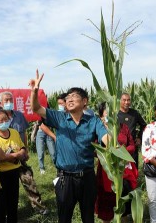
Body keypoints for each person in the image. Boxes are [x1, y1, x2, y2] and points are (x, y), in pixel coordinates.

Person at [29, 70, 108, 223]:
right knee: (64, 217)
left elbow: (106, 139)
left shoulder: (94, 121)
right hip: (65, 178)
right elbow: (36, 108)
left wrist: (112, 139)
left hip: (87, 177)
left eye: (74, 96)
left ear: (84, 101)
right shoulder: (60, 118)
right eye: (67, 97)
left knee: (88, 217)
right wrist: (34, 91)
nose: (69, 99)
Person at [95, 102, 138, 222]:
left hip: (123, 170)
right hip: (106, 169)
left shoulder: (123, 127)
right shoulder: (98, 128)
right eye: (107, 111)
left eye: (113, 110)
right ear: (101, 114)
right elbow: (94, 148)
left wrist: (120, 151)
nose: (110, 113)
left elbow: (132, 146)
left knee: (123, 198)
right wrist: (108, 151)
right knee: (107, 200)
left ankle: (122, 219)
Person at [0, 108, 29, 223]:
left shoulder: (14, 132)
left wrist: (22, 152)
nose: (4, 122)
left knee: (13, 202)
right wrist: (17, 155)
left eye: (6, 119)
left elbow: (22, 147)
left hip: (14, 172)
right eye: (1, 121)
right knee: (1, 205)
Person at [118, 92, 147, 168]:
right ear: (120, 101)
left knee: (133, 170)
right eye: (124, 100)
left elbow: (144, 125)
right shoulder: (115, 114)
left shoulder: (134, 113)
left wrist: (139, 138)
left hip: (132, 147)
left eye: (128, 100)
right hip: (119, 148)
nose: (127, 102)